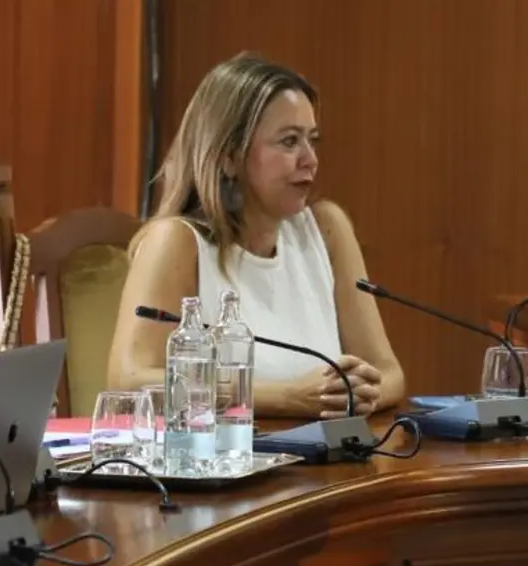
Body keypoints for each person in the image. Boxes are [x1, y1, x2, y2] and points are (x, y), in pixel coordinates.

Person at [107, 53, 405, 418]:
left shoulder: (327, 230)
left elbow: (389, 374)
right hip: (215, 464)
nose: (310, 159)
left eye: (312, 140)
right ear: (229, 156)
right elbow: (130, 380)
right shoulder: (177, 242)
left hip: (325, 464)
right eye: (289, 141)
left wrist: (361, 393)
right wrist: (288, 398)